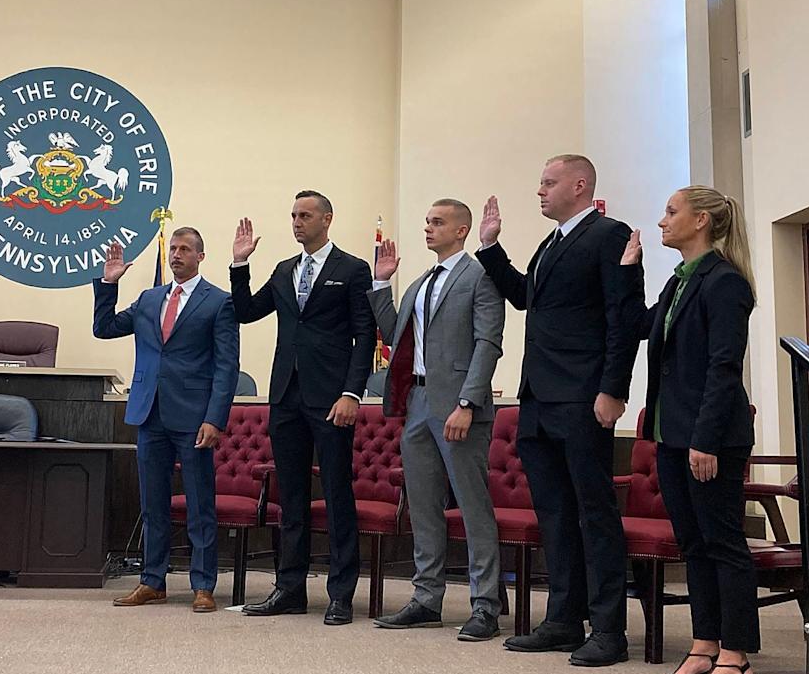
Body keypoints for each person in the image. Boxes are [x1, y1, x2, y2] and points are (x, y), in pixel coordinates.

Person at [476, 155, 640, 667]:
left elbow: (622, 317)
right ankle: (564, 619)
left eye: (548, 183)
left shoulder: (608, 235)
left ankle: (609, 628)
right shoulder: (552, 243)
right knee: (554, 513)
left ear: (579, 184)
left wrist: (614, 388)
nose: (539, 191)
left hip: (583, 396)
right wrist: (490, 248)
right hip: (540, 397)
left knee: (595, 513)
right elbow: (527, 297)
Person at [622, 186, 759, 674]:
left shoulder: (724, 282)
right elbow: (642, 327)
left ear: (701, 220)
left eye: (671, 212)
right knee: (694, 545)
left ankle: (737, 657)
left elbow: (723, 367)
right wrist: (630, 271)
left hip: (709, 438)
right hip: (672, 435)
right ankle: (704, 646)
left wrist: (705, 439)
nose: (662, 221)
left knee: (724, 545)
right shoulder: (679, 282)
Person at [231, 190, 376, 626]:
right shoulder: (283, 269)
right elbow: (246, 311)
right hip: (287, 398)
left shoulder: (352, 269)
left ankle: (341, 594)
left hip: (332, 399)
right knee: (290, 498)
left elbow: (365, 335)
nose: (297, 222)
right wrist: (239, 265)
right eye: (294, 215)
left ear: (327, 219)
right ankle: (289, 588)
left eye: (306, 215)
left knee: (336, 495)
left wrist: (352, 393)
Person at [369, 199, 506, 641]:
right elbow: (394, 336)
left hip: (459, 405)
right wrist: (381, 283)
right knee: (424, 506)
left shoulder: (479, 275)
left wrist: (467, 403)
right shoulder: (420, 283)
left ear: (462, 230)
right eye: (427, 221)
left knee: (471, 507)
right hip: (418, 402)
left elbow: (488, 343)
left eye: (438, 222)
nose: (428, 228)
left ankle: (485, 605)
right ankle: (427, 598)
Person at [93, 227, 239, 613]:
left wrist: (215, 418)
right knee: (152, 503)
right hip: (149, 411)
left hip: (194, 417)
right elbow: (104, 329)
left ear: (200, 257)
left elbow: (227, 367)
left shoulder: (218, 302)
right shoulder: (148, 298)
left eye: (185, 249)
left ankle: (203, 584)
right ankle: (152, 581)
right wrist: (108, 284)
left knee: (198, 502)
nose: (176, 255)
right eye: (173, 249)